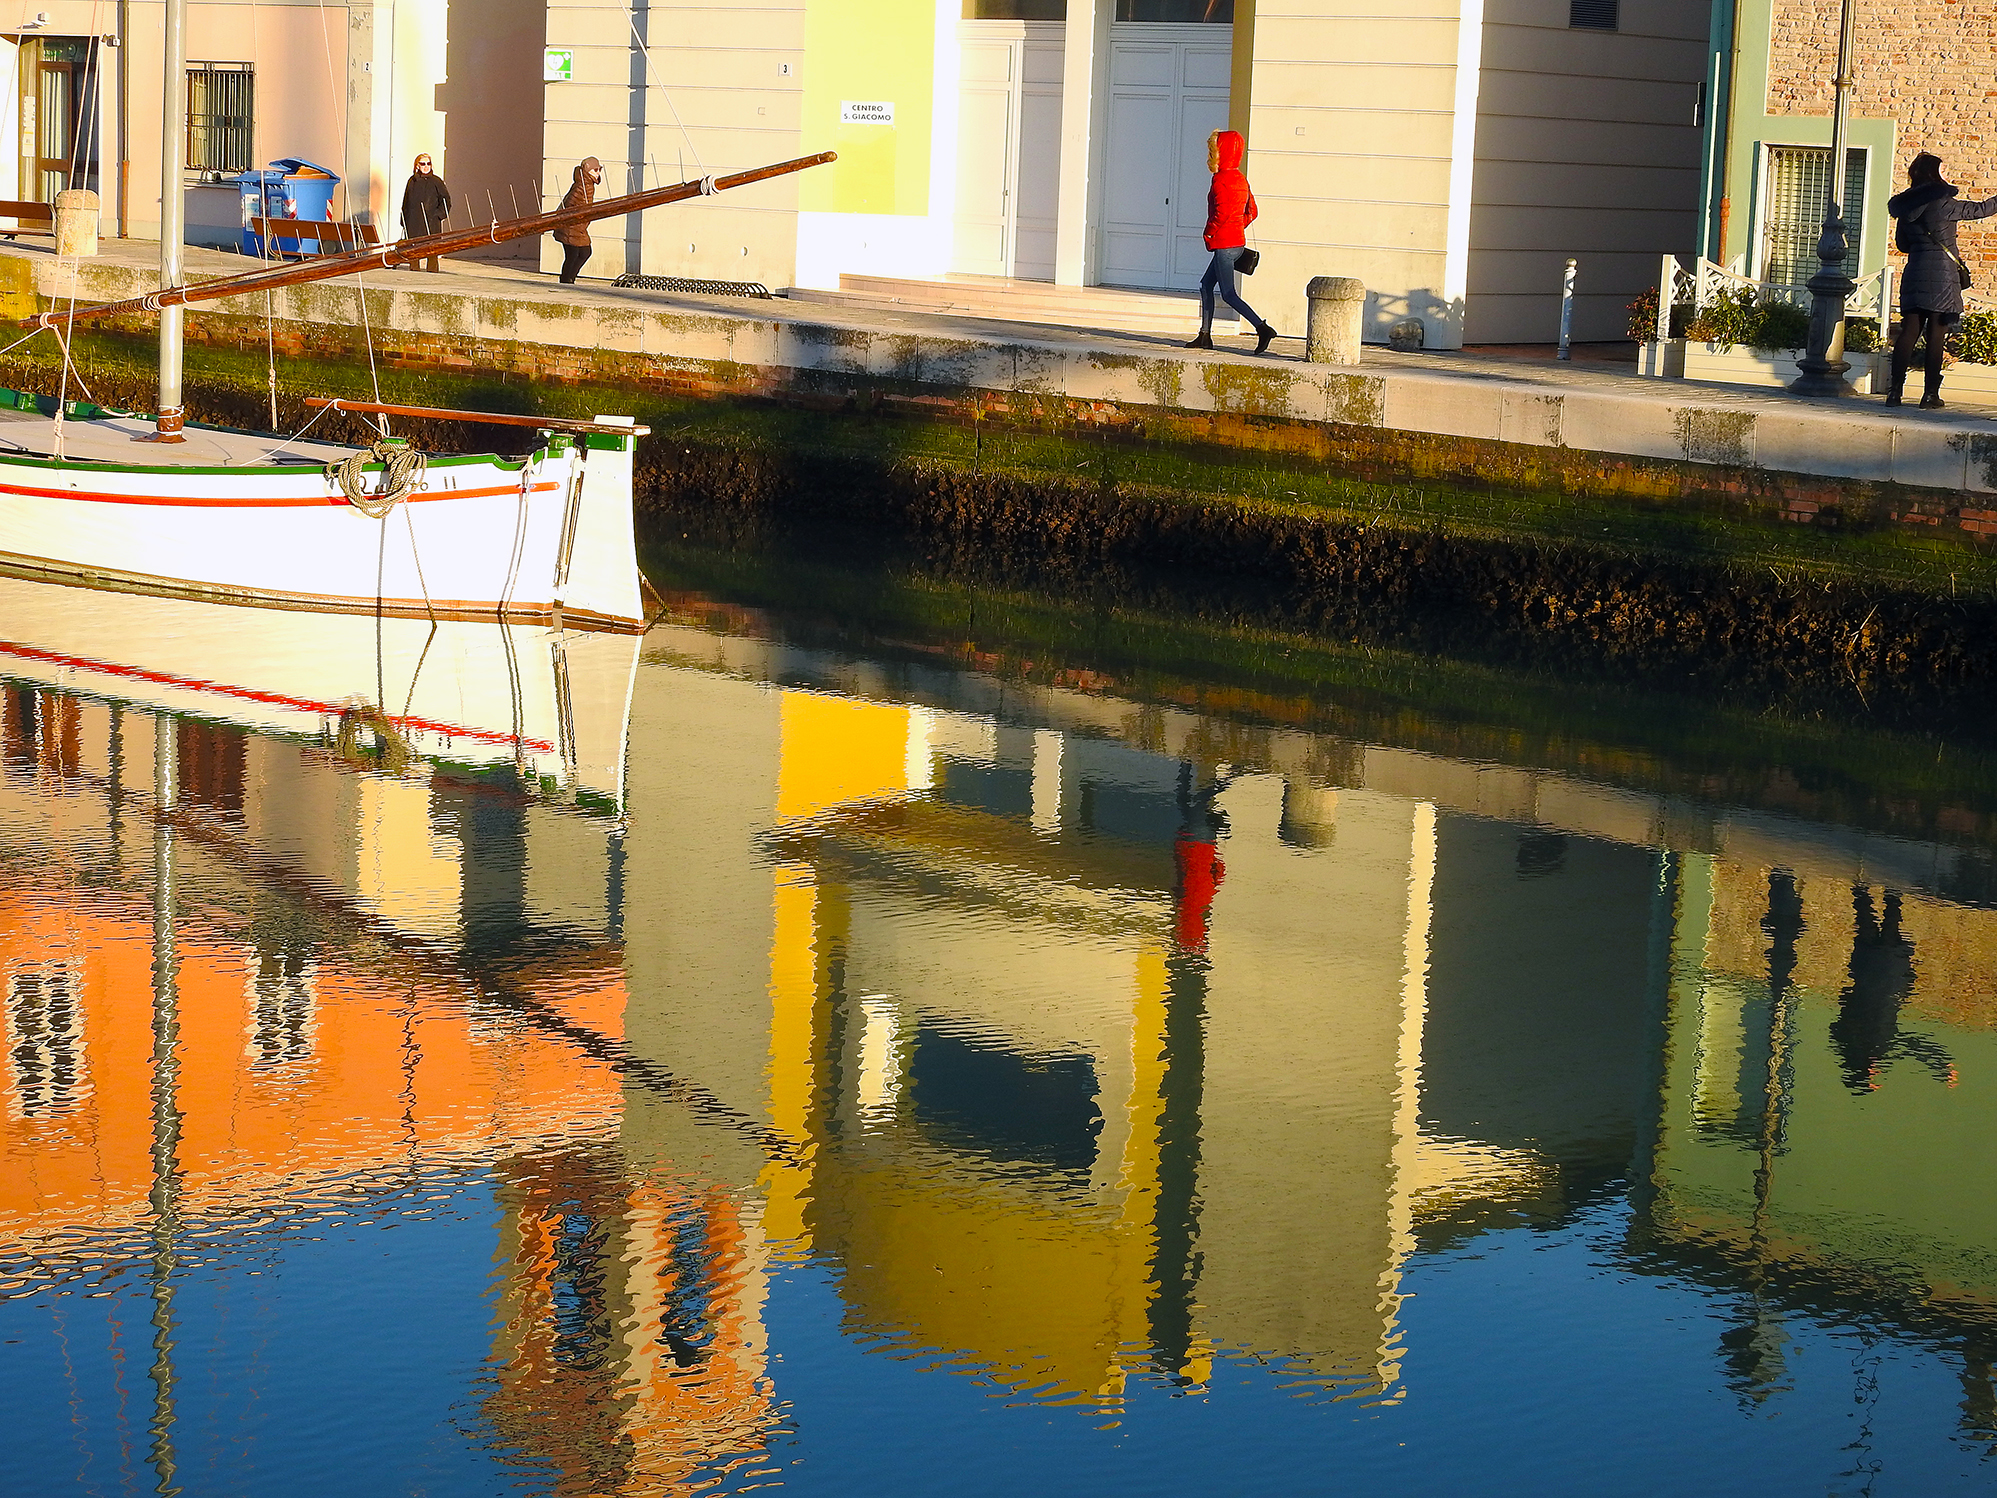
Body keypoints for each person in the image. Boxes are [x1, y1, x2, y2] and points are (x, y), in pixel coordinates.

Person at [1885, 151, 1997, 408]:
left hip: (1914, 273)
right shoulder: (1943, 202)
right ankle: (1930, 395)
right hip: (1942, 276)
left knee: (1908, 332)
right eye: (1942, 170)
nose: (1946, 174)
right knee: (1936, 335)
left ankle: (1894, 392)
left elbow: (1902, 245)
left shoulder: (1906, 206)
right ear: (1933, 173)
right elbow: (1980, 209)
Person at [1186, 130, 1277, 355]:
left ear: (1222, 152)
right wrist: (1237, 226)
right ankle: (1204, 335)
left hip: (1225, 246)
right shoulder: (1240, 178)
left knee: (1228, 294)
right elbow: (1252, 211)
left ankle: (1262, 329)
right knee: (1206, 285)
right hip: (1236, 244)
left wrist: (1209, 233)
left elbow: (1221, 214)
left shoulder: (1221, 180)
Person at [555, 157, 603, 285]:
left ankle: (569, 279)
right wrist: (578, 215)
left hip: (578, 227)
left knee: (584, 252)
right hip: (571, 226)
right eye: (595, 170)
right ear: (587, 171)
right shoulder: (581, 186)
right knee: (574, 254)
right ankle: (566, 280)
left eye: (600, 169)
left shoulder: (588, 184)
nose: (598, 173)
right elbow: (568, 204)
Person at [399, 153, 450, 273]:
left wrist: (439, 215)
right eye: (423, 164)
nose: (426, 166)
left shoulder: (436, 181)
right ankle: (414, 270)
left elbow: (446, 201)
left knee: (432, 248)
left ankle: (432, 272)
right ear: (417, 165)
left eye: (428, 163)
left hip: (432, 221)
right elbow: (406, 201)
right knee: (413, 249)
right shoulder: (412, 181)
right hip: (414, 221)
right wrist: (404, 220)